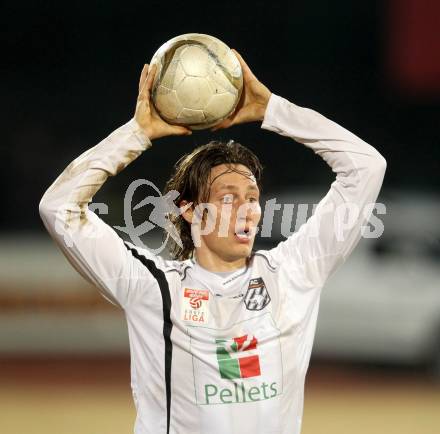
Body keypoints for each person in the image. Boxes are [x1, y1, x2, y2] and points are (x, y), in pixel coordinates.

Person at [39, 49, 387, 434]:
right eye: (227, 198)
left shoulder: (295, 272)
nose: (245, 209)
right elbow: (59, 208)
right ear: (190, 211)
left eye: (251, 198)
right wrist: (135, 135)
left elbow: (366, 166)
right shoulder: (155, 288)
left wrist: (273, 110)